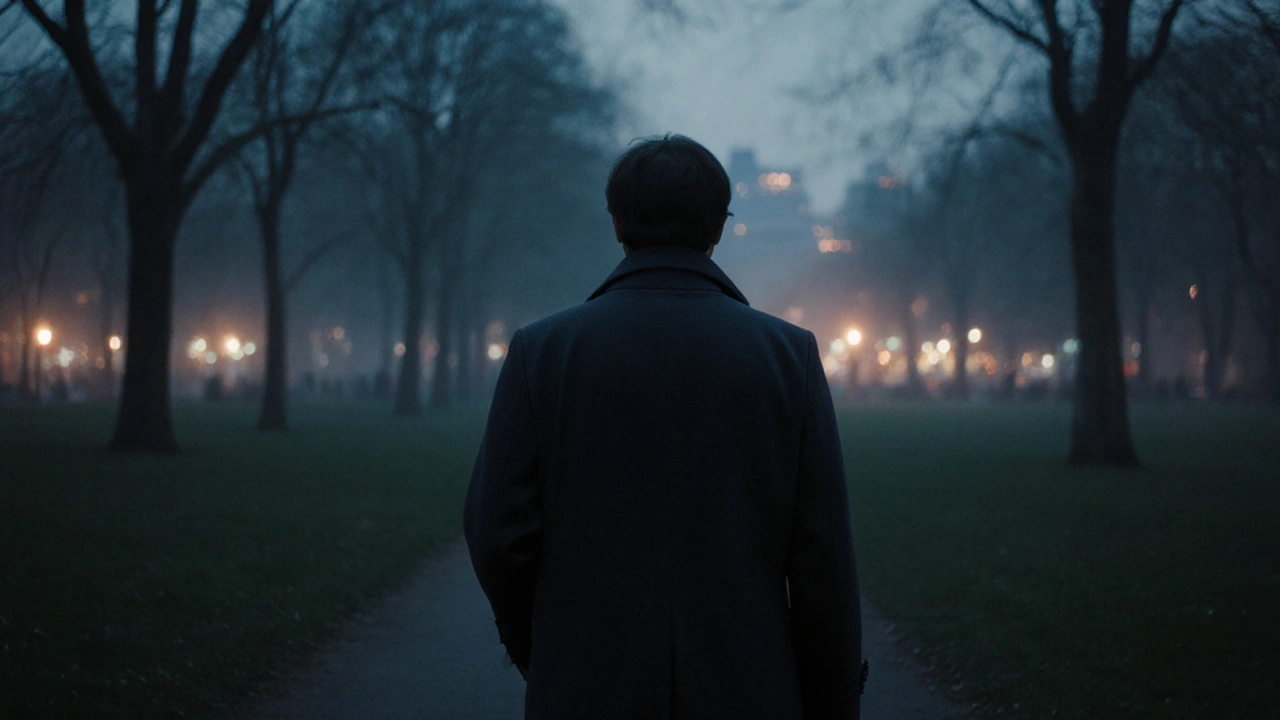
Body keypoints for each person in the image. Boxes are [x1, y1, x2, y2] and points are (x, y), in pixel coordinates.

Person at [464, 134, 864, 719]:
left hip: (585, 686)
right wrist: (833, 703)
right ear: (718, 228)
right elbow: (822, 560)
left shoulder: (542, 352)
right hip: (747, 687)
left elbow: (498, 532)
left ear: (617, 222)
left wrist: (546, 647)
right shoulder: (788, 356)